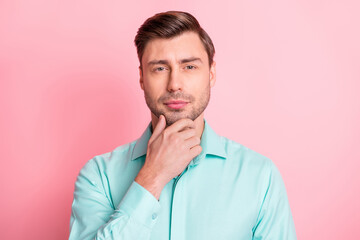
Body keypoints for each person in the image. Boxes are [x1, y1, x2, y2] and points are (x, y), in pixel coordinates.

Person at [69, 11, 296, 240]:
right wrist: (152, 177)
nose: (175, 84)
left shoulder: (260, 177)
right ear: (141, 77)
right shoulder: (99, 176)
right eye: (160, 68)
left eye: (189, 67)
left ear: (211, 73)